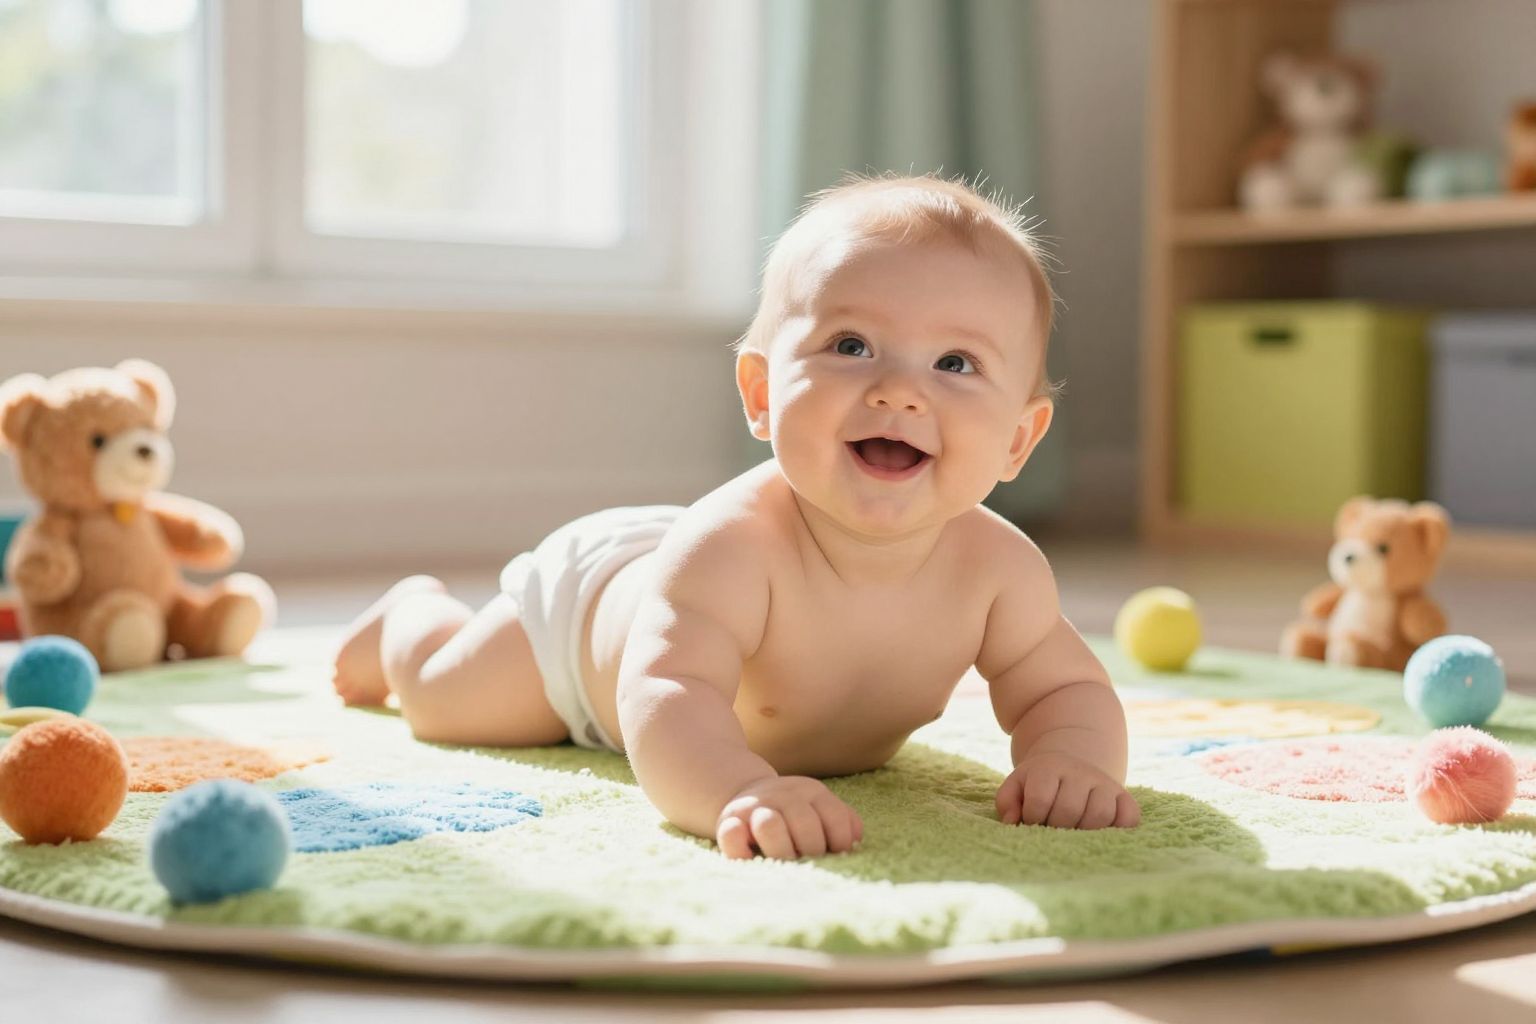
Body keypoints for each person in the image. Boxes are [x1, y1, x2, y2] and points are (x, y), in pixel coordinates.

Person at [332, 173, 1141, 860]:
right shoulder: (730, 549)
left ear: (1017, 440)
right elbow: (667, 694)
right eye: (852, 346)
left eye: (955, 363)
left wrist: (1072, 760)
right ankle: (413, 618)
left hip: (664, 598)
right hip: (584, 629)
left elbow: (1062, 688)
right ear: (760, 393)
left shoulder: (998, 572)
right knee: (442, 701)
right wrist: (737, 789)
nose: (900, 390)